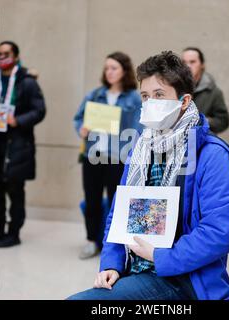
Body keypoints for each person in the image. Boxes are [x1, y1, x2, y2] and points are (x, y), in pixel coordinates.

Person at [68, 51, 229, 300]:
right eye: (145, 96)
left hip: (182, 280)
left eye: (159, 95)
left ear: (184, 101)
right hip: (134, 269)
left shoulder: (212, 155)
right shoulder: (140, 148)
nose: (150, 103)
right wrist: (111, 263)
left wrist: (160, 256)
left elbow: (219, 231)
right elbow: (120, 214)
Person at [0, 41, 46, 248]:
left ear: (15, 56)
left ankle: (13, 233)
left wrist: (18, 120)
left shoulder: (27, 81)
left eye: (6, 54)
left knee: (15, 191)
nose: (1, 57)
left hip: (17, 144)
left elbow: (39, 110)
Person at [73, 52, 142, 259]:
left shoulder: (133, 98)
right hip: (93, 155)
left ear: (124, 71)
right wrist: (82, 129)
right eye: (106, 68)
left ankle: (113, 245)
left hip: (118, 158)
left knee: (116, 202)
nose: (109, 72)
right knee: (92, 199)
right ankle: (91, 240)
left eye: (114, 68)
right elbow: (78, 118)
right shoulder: (95, 95)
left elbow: (138, 129)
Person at [182, 47, 229, 134]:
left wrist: (203, 121)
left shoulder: (214, 92)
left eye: (192, 62)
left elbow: (223, 122)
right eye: (184, 62)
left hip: (203, 141)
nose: (188, 66)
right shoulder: (174, 89)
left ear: (202, 65)